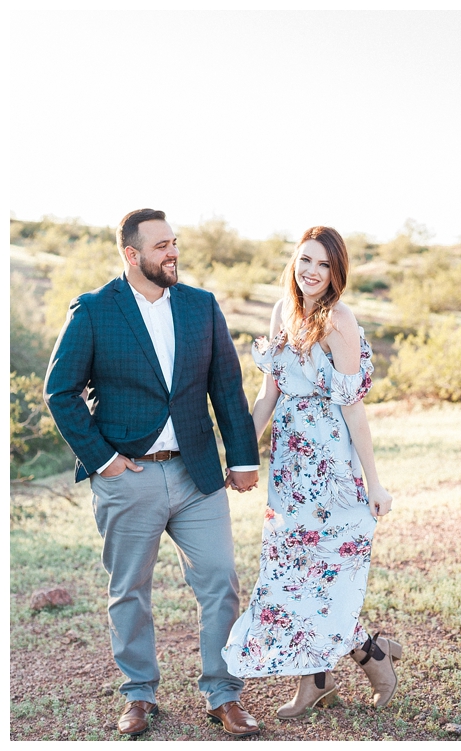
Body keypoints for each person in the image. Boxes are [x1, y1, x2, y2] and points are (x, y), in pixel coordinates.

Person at [44, 208, 262, 738]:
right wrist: (104, 460)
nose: (173, 253)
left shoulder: (201, 307)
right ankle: (139, 696)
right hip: (128, 475)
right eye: (161, 245)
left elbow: (226, 389)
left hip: (197, 475)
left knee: (220, 581)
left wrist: (243, 457)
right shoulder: (95, 310)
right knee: (129, 590)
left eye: (175, 243)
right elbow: (60, 392)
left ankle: (223, 694)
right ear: (131, 254)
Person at [222, 226, 401, 718]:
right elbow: (267, 396)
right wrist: (241, 455)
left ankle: (371, 656)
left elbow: (354, 409)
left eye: (323, 264)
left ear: (336, 272)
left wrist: (373, 481)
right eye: (306, 260)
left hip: (331, 468)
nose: (312, 272)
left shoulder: (340, 321)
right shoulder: (283, 311)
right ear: (294, 262)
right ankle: (328, 675)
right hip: (288, 470)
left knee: (327, 575)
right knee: (291, 575)